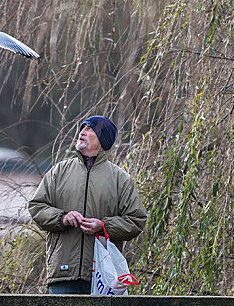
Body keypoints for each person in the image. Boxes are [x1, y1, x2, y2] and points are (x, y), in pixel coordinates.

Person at [28, 115, 147, 294]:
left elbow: (136, 220)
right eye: (82, 128)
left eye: (90, 129)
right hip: (63, 275)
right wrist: (63, 218)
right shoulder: (59, 171)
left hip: (103, 277)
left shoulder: (121, 179)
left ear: (103, 140)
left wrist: (104, 226)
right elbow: (37, 207)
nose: (82, 132)